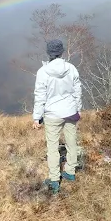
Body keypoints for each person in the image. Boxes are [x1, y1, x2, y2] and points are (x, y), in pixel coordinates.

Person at [32, 39, 82, 194]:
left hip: (52, 115)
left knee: (52, 148)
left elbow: (40, 96)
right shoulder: (71, 68)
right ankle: (70, 172)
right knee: (71, 142)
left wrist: (37, 117)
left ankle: (54, 180)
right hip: (70, 111)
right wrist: (78, 109)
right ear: (62, 52)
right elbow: (77, 90)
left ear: (49, 53)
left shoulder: (42, 72)